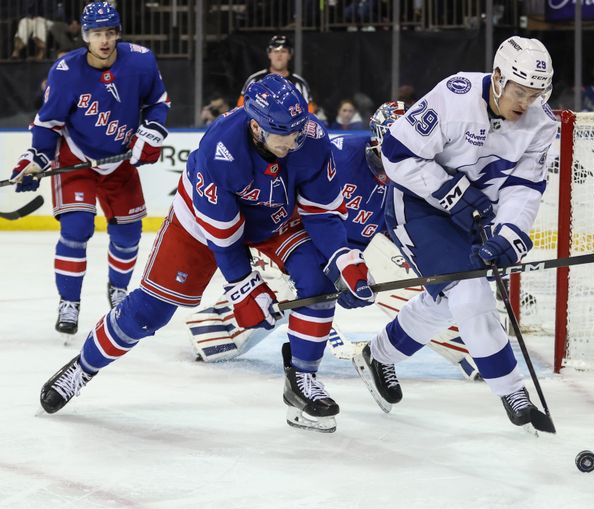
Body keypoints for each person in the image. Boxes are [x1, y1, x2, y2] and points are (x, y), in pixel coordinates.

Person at [38, 74, 375, 435]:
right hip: (200, 224)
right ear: (257, 127)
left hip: (275, 218)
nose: (294, 140)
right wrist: (244, 288)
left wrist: (344, 258)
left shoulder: (308, 137)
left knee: (317, 279)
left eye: (298, 128)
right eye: (283, 132)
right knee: (149, 312)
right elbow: (224, 236)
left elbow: (322, 212)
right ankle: (84, 367)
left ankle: (302, 382)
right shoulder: (222, 149)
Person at [186, 101, 483, 380]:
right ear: (380, 140)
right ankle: (217, 328)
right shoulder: (339, 154)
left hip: (352, 251)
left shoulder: (417, 175)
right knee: (290, 291)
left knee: (410, 280)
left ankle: (472, 348)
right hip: (297, 239)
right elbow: (300, 208)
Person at [351, 36, 558, 427]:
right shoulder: (455, 94)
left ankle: (379, 356)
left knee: (449, 299)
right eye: (520, 91)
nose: (526, 102)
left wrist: (510, 232)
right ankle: (513, 391)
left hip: (476, 213)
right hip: (417, 206)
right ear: (498, 77)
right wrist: (454, 194)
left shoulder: (541, 122)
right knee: (468, 290)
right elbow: (396, 154)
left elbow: (525, 187)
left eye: (535, 93)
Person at [9, 2, 170, 338]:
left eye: (110, 32)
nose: (104, 40)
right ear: (85, 35)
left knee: (128, 234)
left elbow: (158, 102)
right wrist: (36, 158)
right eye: (97, 33)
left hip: (119, 160)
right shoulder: (66, 71)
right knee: (76, 229)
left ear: (118, 33)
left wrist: (152, 132)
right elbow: (48, 122)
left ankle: (118, 289)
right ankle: (69, 302)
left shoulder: (140, 61)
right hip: (75, 158)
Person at [236, 35, 316, 114]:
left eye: (283, 51)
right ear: (269, 54)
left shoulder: (300, 84)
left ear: (290, 55)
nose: (279, 55)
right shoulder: (254, 80)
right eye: (276, 51)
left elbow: (309, 113)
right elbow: (240, 108)